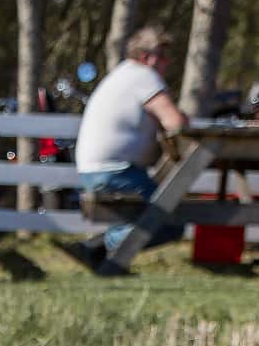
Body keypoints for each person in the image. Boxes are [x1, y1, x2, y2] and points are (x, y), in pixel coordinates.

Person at [73, 26, 192, 273]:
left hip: (99, 171)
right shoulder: (144, 77)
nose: (167, 63)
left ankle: (97, 250)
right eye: (162, 56)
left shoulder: (123, 74)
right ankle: (97, 249)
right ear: (146, 57)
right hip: (116, 172)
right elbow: (176, 122)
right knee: (172, 218)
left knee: (163, 213)